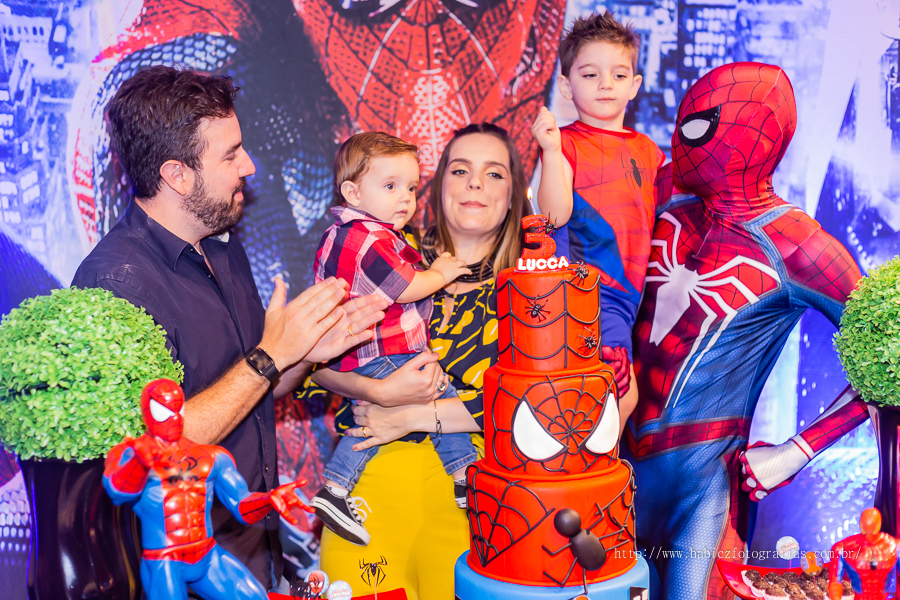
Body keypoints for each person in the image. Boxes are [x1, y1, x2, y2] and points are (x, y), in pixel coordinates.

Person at [72, 65, 386, 590]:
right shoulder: (115, 283)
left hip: (255, 553)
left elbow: (250, 387)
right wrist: (269, 355)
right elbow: (153, 445)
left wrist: (303, 352)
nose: (249, 164)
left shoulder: (221, 241)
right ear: (177, 175)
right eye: (230, 153)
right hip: (185, 572)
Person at [623, 62, 867, 600]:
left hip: (702, 486)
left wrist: (797, 450)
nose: (678, 139)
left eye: (696, 126)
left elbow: (889, 353)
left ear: (746, 137)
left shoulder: (797, 246)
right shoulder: (665, 195)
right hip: (611, 465)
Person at [302, 123, 530, 599]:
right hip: (367, 494)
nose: (474, 184)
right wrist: (376, 392)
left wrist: (407, 415)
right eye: (460, 170)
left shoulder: (534, 289)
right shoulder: (378, 257)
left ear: (514, 196)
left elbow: (533, 406)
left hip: (470, 502)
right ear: (439, 183)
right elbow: (308, 363)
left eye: (494, 174)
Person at [309, 132, 474, 546]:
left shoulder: (338, 234)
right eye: (390, 186)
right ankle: (460, 474)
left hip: (356, 353)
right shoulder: (372, 239)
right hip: (385, 349)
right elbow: (407, 288)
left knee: (381, 407)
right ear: (353, 192)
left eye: (412, 188)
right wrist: (442, 273)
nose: (405, 198)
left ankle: (340, 487)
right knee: (434, 391)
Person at [531, 11, 666, 429]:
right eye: (590, 75)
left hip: (631, 300)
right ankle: (594, 479)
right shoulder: (567, 144)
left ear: (634, 86)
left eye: (618, 74)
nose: (606, 84)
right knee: (618, 393)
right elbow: (553, 215)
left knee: (615, 396)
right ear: (567, 88)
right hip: (588, 291)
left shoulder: (650, 152)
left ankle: (594, 474)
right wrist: (550, 152)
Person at [104, 379, 310, 600]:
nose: (173, 416)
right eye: (163, 410)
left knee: (254, 596)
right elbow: (117, 493)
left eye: (176, 408)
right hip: (164, 561)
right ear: (148, 410)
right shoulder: (131, 454)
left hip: (207, 555)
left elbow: (241, 506)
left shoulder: (210, 456)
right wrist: (139, 464)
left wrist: (268, 500)